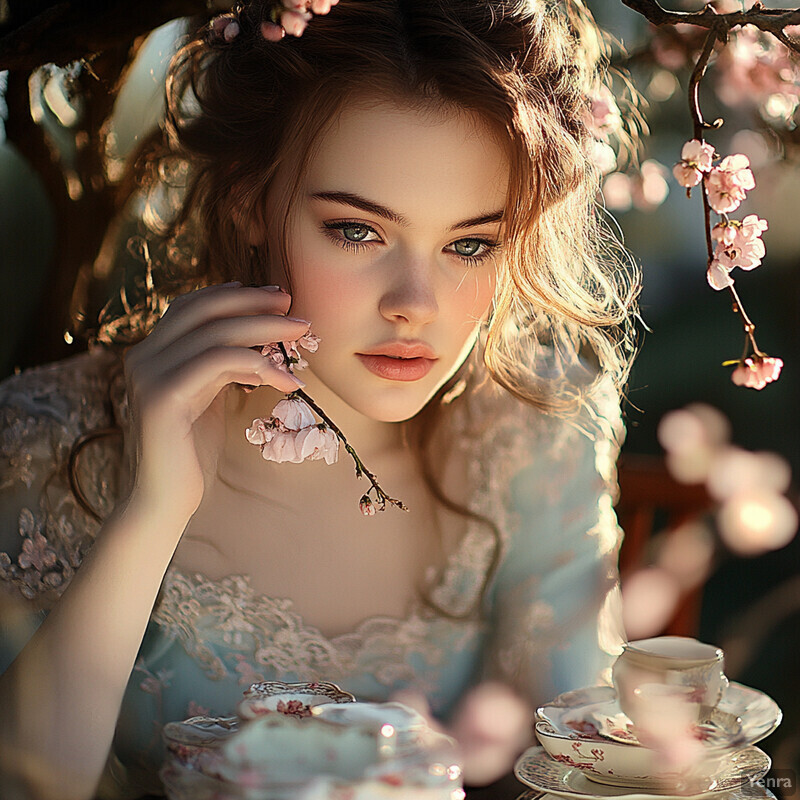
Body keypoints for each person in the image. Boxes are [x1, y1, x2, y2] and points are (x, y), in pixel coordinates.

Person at [0, 0, 636, 797]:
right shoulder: (45, 443)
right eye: (357, 231)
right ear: (246, 198)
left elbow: (588, 766)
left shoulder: (530, 429)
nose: (416, 304)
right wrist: (151, 512)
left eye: (469, 243)